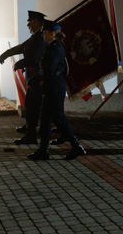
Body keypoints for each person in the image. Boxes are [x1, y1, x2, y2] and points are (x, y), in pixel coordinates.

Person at [27, 21, 86, 160]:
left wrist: (37, 78)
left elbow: (49, 69)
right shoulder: (52, 46)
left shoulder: (55, 48)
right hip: (51, 87)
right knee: (46, 120)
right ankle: (43, 151)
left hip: (54, 87)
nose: (42, 34)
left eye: (45, 32)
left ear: (52, 33)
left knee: (59, 119)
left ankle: (77, 147)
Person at [0, 11, 48, 143]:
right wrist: (5, 54)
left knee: (33, 106)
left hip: (38, 78)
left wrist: (21, 63)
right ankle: (29, 128)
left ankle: (31, 135)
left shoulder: (40, 37)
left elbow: (34, 57)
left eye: (29, 22)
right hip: (32, 77)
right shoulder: (35, 36)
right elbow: (22, 48)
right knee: (29, 103)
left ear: (37, 22)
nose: (27, 25)